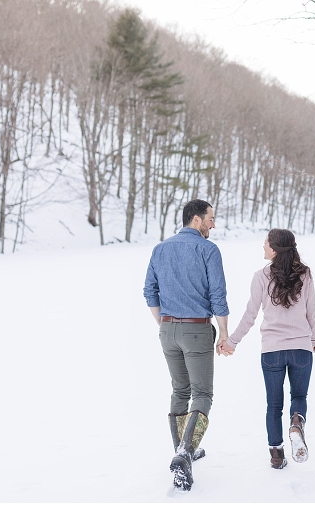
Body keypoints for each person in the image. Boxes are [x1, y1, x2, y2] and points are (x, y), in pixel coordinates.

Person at [143, 199, 230, 491]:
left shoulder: (160, 249)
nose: (213, 225)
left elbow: (149, 291)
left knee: (180, 390)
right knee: (202, 393)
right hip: (196, 330)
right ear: (196, 219)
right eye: (210, 219)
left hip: (168, 329)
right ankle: (184, 453)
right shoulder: (208, 249)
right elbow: (218, 294)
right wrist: (224, 332)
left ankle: (184, 450)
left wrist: (164, 323)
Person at [218, 228, 315, 470]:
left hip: (272, 351)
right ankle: (296, 423)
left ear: (274, 249)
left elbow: (250, 315)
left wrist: (232, 341)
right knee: (299, 397)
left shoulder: (260, 276)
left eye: (265, 243)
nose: (263, 247)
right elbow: (311, 311)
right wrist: (314, 338)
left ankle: (276, 455)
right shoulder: (305, 274)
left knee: (274, 406)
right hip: (301, 348)